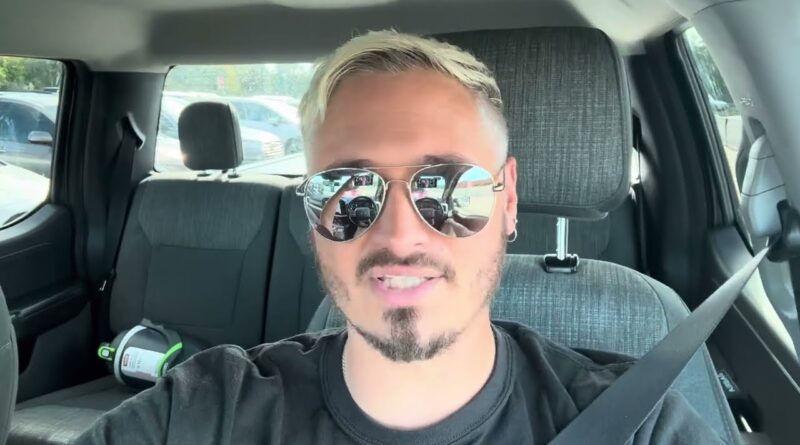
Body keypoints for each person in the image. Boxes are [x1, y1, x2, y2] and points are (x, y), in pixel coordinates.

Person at [75, 30, 724, 444]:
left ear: (507, 200)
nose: (399, 231)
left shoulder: (638, 426)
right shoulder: (201, 411)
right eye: (349, 190)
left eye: (446, 186)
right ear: (312, 212)